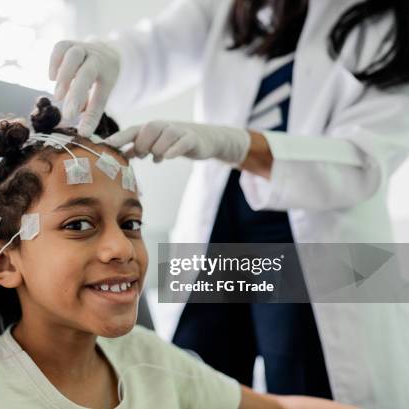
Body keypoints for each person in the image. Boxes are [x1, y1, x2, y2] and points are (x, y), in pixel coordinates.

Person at [47, 0, 409, 408]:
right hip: (218, 225)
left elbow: (364, 161)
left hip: (324, 245)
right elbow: (156, 46)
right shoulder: (232, 7)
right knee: (194, 378)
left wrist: (236, 144)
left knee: (306, 382)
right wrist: (108, 55)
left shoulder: (388, 24)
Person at [0, 98, 357, 409]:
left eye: (131, 223)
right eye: (78, 225)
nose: (120, 248)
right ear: (6, 262)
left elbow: (276, 407)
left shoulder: (150, 361)